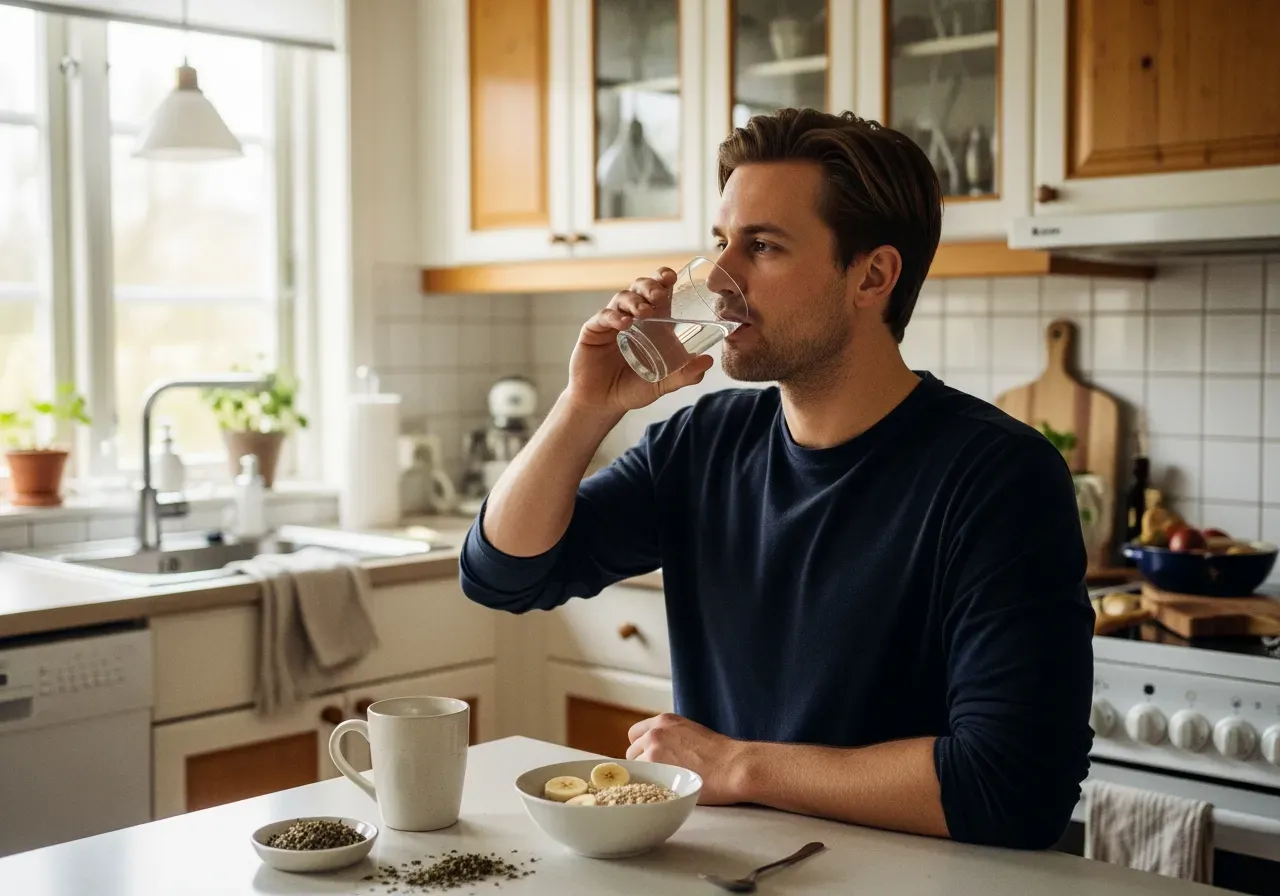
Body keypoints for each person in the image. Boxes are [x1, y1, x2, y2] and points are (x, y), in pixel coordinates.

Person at [459, 108, 1093, 850]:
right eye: (720, 243)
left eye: (762, 246)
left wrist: (737, 766)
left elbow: (1013, 788)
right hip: (736, 869)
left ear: (872, 276)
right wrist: (584, 407)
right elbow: (504, 573)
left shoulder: (999, 477)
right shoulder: (703, 443)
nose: (719, 278)